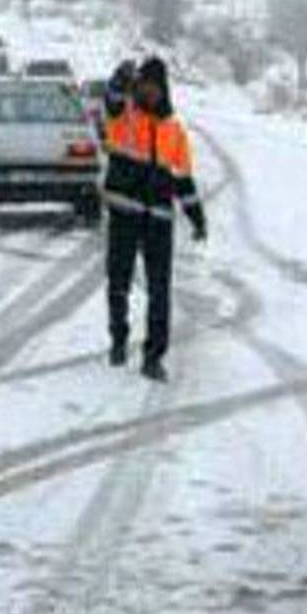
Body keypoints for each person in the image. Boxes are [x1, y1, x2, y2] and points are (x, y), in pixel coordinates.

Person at [102, 55, 207, 382]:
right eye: (144, 85)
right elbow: (111, 100)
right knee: (118, 282)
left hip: (159, 220)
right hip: (124, 213)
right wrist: (119, 79)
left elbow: (183, 179)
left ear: (164, 89)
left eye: (155, 86)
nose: (150, 92)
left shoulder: (174, 129)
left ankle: (154, 356)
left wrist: (197, 217)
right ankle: (118, 339)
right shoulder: (124, 116)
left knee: (160, 291)